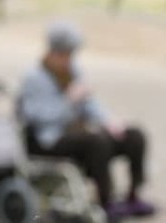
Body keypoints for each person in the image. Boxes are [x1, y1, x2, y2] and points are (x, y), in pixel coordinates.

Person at [18, 22, 156, 220]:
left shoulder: (73, 70)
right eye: (65, 54)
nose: (69, 59)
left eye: (71, 54)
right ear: (53, 52)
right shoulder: (34, 78)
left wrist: (110, 121)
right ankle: (105, 202)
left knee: (134, 135)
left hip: (78, 132)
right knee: (96, 142)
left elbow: (89, 103)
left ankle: (133, 197)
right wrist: (68, 101)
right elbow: (38, 118)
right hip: (50, 139)